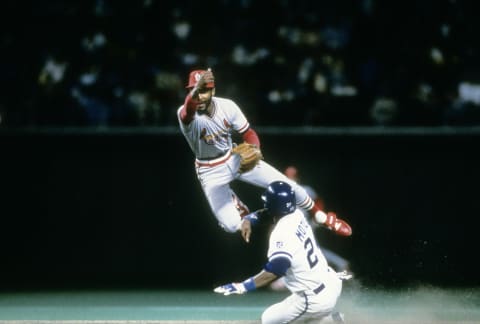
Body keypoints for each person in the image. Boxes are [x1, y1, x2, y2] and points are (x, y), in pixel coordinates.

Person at [177, 68, 352, 243]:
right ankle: (241, 208)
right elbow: (188, 110)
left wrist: (254, 148)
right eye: (195, 90)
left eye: (204, 90)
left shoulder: (227, 106)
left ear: (213, 90)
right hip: (209, 170)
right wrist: (197, 88)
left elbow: (248, 132)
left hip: (233, 156)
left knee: (287, 184)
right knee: (231, 226)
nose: (200, 96)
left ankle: (322, 217)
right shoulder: (185, 114)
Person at [214, 181, 350, 323]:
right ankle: (333, 320)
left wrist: (242, 286)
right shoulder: (297, 213)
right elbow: (268, 213)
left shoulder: (282, 233)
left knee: (265, 320)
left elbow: (276, 269)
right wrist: (248, 219)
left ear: (274, 205)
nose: (265, 204)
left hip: (313, 298)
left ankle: (329, 320)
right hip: (330, 281)